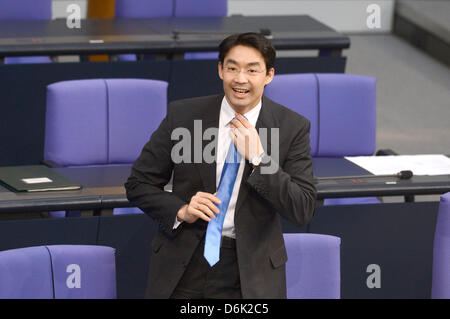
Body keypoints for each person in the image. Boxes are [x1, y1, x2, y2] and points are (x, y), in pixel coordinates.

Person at [125, 32, 316, 299]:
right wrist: (181, 210)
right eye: (232, 68)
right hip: (186, 260)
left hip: (249, 271)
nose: (240, 79)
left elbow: (302, 208)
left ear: (269, 75)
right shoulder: (184, 116)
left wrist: (260, 158)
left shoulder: (291, 128)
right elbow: (138, 184)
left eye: (252, 70)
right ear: (220, 70)